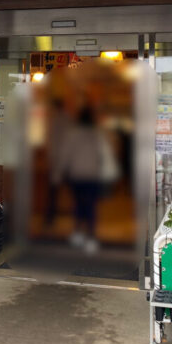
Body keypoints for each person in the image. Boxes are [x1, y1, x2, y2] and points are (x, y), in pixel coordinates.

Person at [53, 105, 116, 253]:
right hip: (93, 175)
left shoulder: (72, 134)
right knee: (91, 206)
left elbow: (65, 155)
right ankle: (91, 238)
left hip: (77, 175)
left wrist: (57, 173)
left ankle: (77, 234)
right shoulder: (97, 134)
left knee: (78, 204)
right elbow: (105, 155)